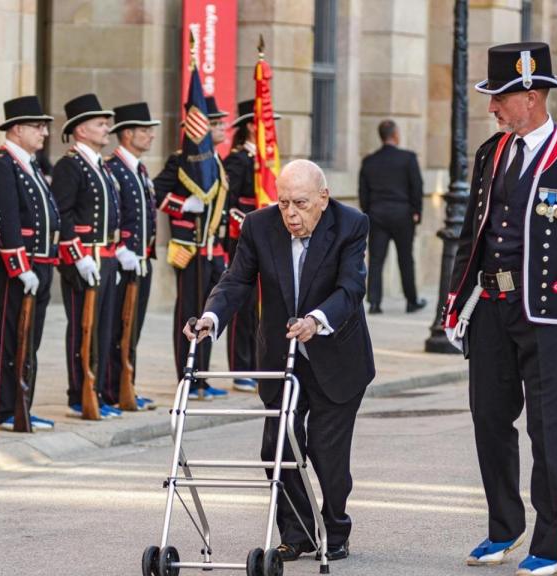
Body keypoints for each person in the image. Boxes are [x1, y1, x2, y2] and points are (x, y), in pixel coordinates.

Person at [442, 42, 557, 576]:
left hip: (551, 316)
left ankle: (549, 543)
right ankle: (503, 527)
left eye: (500, 97)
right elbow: (472, 234)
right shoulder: (490, 153)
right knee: (489, 420)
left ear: (532, 96)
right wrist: (455, 303)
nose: (492, 107)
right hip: (491, 308)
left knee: (548, 429)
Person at [186, 159, 374, 564]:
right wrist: (211, 317)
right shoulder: (259, 225)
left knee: (325, 450)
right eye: (283, 202)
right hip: (281, 356)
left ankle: (335, 528)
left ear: (323, 198)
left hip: (336, 353)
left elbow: (351, 287)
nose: (290, 213)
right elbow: (237, 279)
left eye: (300, 203)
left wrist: (315, 320)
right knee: (277, 447)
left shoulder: (350, 224)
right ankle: (298, 533)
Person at [0, 95, 59, 430]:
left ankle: (23, 404)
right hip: (21, 266)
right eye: (37, 126)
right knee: (11, 336)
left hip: (41, 262)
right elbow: (8, 220)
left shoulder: (30, 163)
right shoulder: (3, 164)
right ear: (16, 129)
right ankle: (5, 408)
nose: (44, 133)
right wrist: (19, 266)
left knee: (31, 339)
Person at [51, 93, 123, 420]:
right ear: (81, 129)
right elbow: (62, 214)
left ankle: (96, 390)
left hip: (105, 256)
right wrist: (78, 255)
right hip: (84, 258)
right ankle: (79, 393)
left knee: (103, 328)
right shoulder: (70, 165)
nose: (106, 128)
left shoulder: (100, 165)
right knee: (84, 327)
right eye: (100, 123)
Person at [154, 96, 230, 401]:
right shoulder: (181, 160)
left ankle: (202, 376)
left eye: (221, 123)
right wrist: (184, 205)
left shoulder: (216, 161)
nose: (221, 128)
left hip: (212, 251)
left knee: (209, 314)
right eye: (215, 123)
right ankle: (187, 376)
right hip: (190, 251)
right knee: (189, 314)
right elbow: (155, 193)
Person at [223, 99, 282, 393]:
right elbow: (229, 204)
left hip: (265, 241)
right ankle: (240, 368)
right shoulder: (238, 160)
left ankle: (257, 364)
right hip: (243, 240)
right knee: (242, 307)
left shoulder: (266, 162)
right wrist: (252, 226)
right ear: (250, 126)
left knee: (261, 308)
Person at [103, 101, 159, 411]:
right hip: (124, 260)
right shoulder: (114, 168)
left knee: (132, 328)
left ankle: (127, 385)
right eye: (144, 130)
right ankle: (112, 389)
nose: (151, 135)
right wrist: (122, 249)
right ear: (127, 134)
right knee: (117, 327)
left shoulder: (138, 168)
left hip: (141, 260)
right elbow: (115, 215)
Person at [358, 119, 425, 314]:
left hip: (377, 215)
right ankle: (411, 301)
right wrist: (417, 212)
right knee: (406, 259)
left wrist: (369, 213)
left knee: (376, 260)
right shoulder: (408, 158)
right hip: (403, 215)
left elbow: (363, 192)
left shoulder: (369, 161)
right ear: (396, 135)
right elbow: (417, 187)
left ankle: (375, 303)